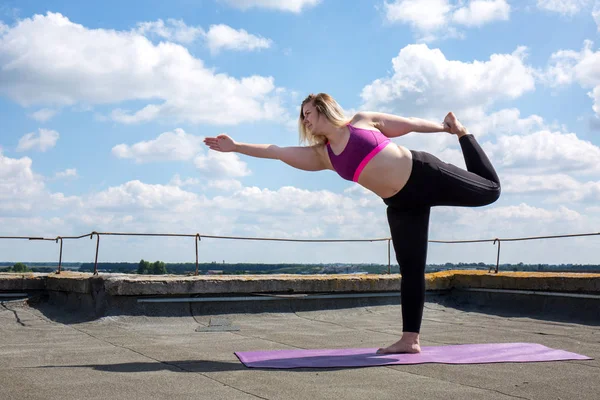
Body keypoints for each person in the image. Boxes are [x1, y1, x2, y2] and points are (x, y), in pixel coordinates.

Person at [203, 93, 501, 354]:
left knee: (490, 190)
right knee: (411, 270)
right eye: (302, 117)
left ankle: (464, 134)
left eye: (308, 113)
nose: (304, 120)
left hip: (424, 173)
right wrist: (236, 146)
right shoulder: (325, 155)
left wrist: (446, 128)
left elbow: (408, 123)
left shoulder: (362, 121)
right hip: (400, 203)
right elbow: (276, 151)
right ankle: (410, 339)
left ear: (324, 108)